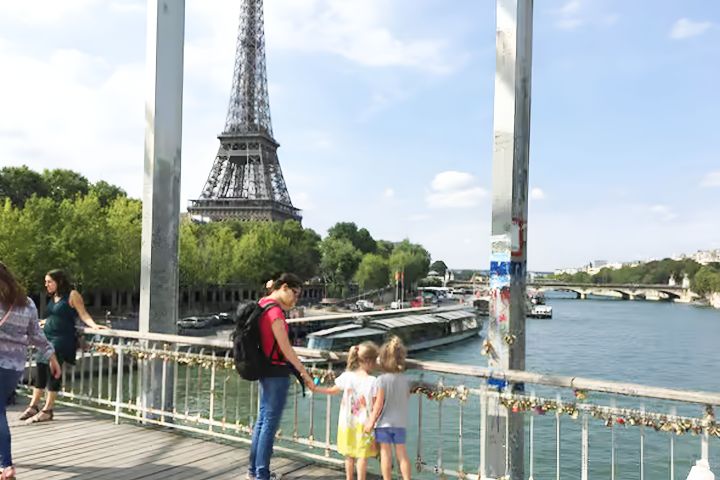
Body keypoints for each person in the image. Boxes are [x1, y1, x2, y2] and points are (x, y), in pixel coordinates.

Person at [247, 273, 316, 480]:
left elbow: (270, 291)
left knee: (262, 422)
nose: (296, 300)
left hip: (264, 369)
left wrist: (272, 287)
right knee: (268, 424)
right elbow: (287, 350)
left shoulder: (263, 303)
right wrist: (305, 375)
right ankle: (262, 475)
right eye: (295, 294)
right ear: (284, 287)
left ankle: (255, 471)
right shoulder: (275, 313)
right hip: (276, 372)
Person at [20, 269, 106, 424]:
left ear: (58, 281)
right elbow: (54, 316)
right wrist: (44, 322)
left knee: (54, 371)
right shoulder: (54, 297)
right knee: (40, 368)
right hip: (47, 337)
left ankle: (48, 409)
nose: (46, 285)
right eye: (45, 282)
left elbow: (83, 314)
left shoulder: (72, 295)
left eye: (49, 282)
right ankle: (33, 406)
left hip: (62, 339)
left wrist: (94, 326)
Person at [0, 262, 61, 479]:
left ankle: (5, 465)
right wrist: (52, 356)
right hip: (14, 367)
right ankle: (5, 466)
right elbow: (36, 335)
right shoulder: (26, 304)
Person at [314, 342, 380, 480]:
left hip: (346, 424)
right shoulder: (373, 381)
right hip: (364, 425)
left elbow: (332, 390)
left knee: (349, 455)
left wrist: (315, 388)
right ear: (368, 361)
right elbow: (375, 406)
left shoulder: (347, 376)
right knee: (362, 456)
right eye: (375, 361)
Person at [364, 336, 412, 480]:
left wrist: (370, 422)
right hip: (400, 423)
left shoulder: (381, 380)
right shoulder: (405, 380)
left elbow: (378, 405)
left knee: (385, 454)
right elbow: (406, 397)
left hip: (384, 423)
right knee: (402, 454)